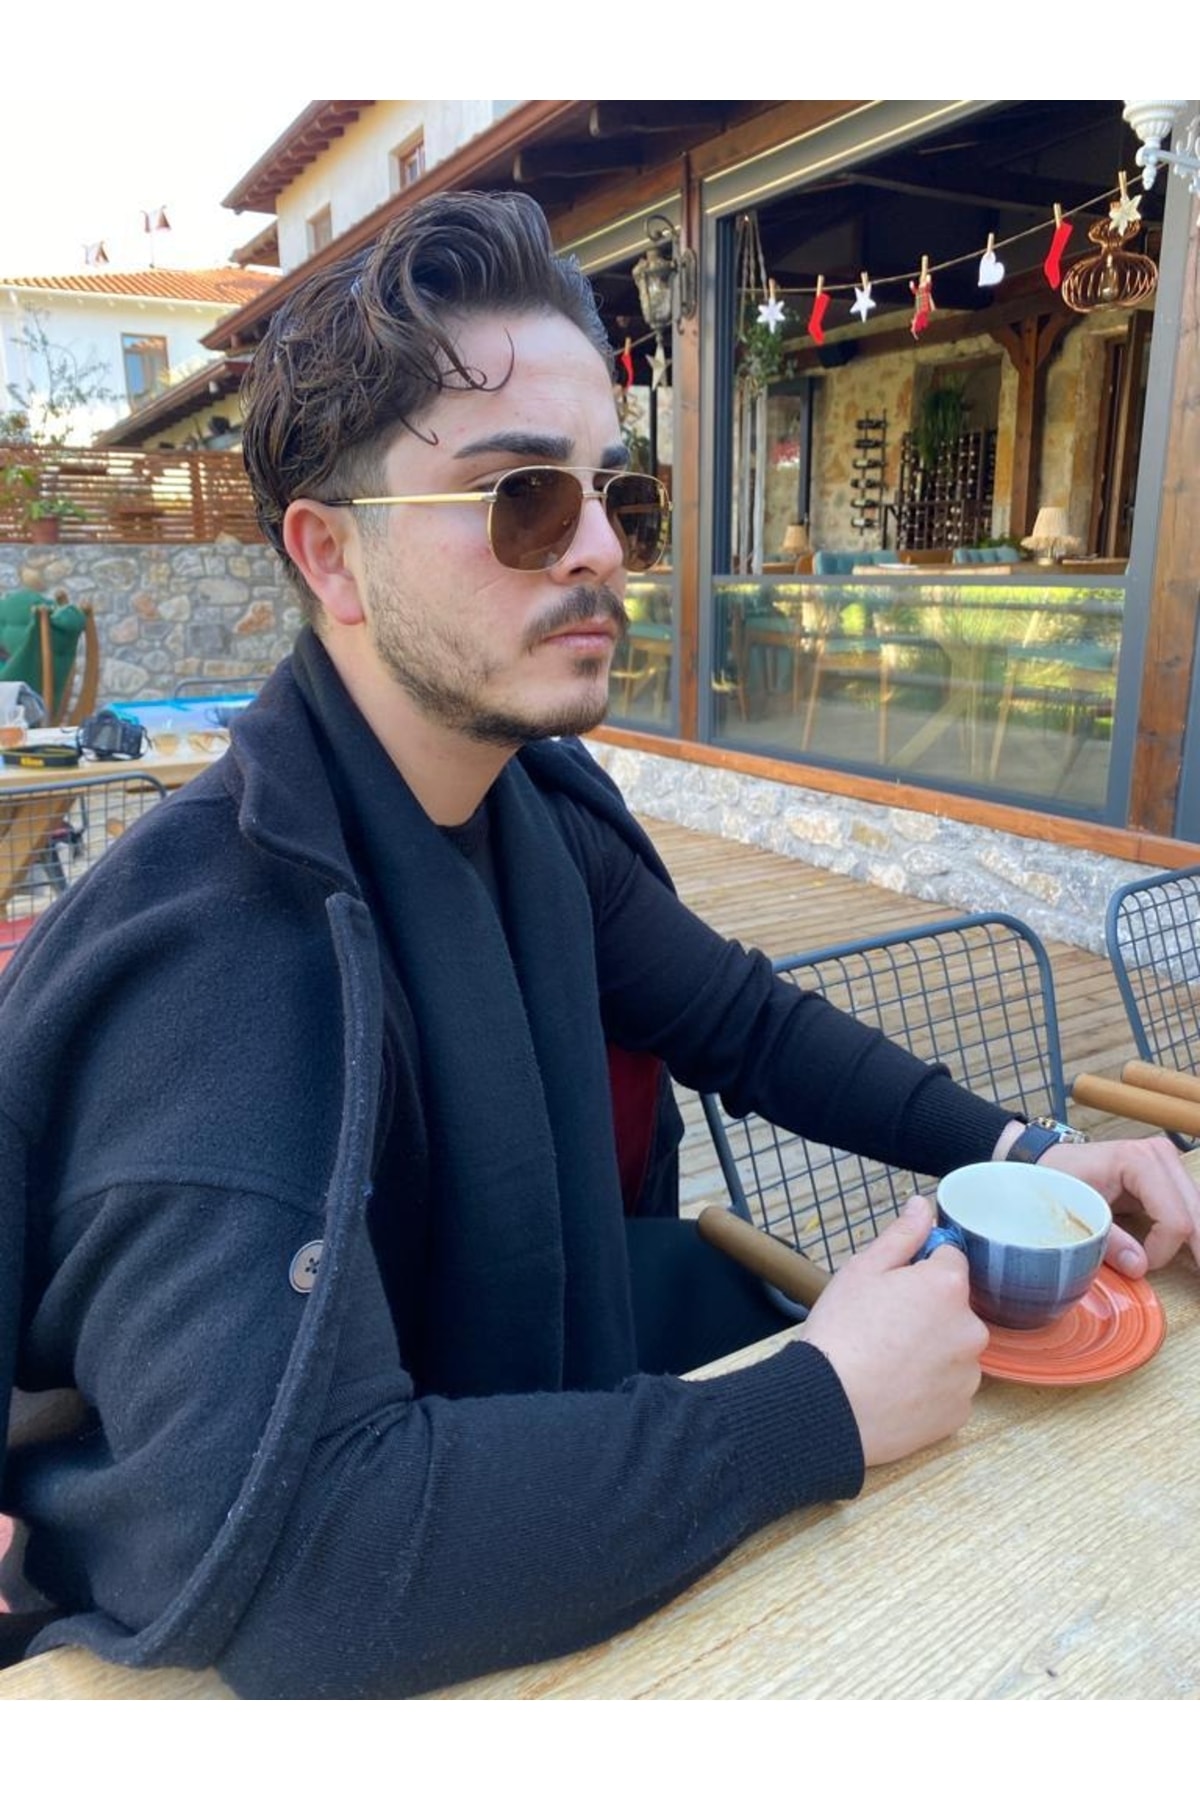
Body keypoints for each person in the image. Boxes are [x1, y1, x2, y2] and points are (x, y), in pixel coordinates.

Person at [1, 191, 1197, 1700]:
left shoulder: (530, 814)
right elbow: (310, 1561)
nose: (597, 551)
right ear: (332, 557)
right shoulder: (218, 971)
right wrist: (815, 1406)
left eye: (613, 495)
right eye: (519, 497)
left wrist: (1031, 1151)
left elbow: (745, 1022)